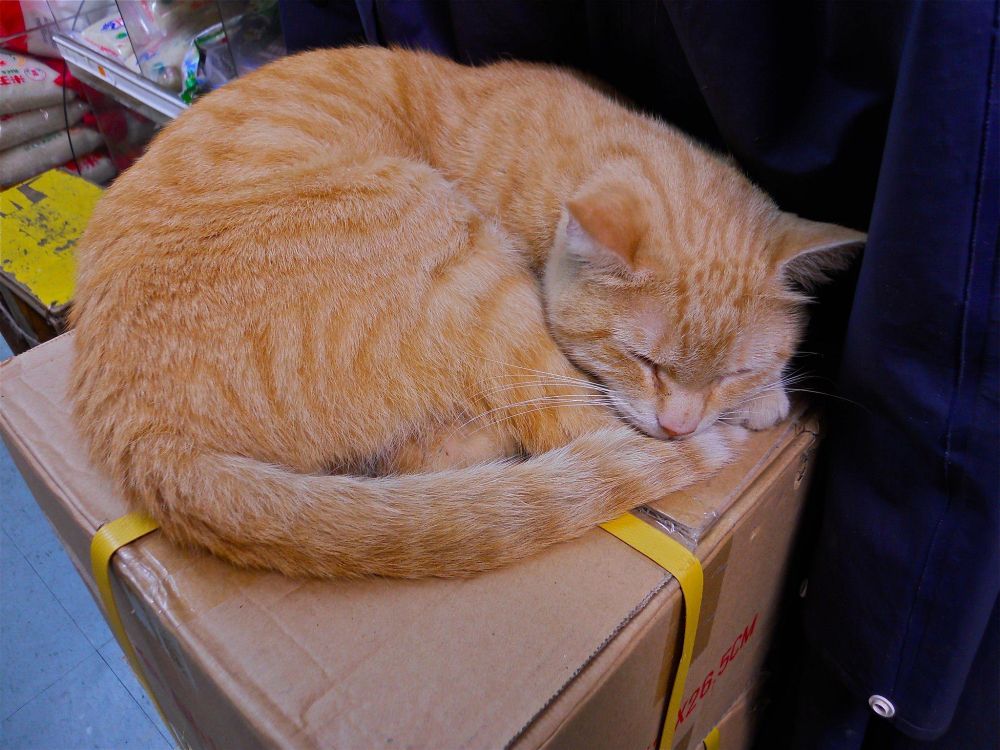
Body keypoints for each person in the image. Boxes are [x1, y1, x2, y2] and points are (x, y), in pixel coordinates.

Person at [279, 2, 999, 747]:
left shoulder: (599, 150)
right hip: (303, 225)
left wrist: (732, 376)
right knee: (449, 254)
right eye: (651, 365)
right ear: (581, 247)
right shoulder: (570, 214)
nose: (680, 419)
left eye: (729, 375)